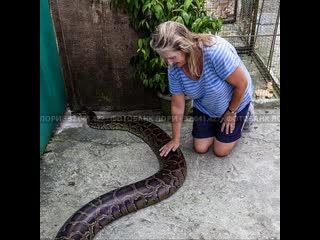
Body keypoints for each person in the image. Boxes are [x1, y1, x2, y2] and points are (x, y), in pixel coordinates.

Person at [150, 21, 254, 158]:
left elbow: (242, 83)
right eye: (165, 58)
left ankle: (246, 113)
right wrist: (175, 139)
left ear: (184, 47)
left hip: (234, 103)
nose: (169, 63)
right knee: (200, 148)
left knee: (220, 151)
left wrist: (231, 112)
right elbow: (177, 104)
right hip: (206, 106)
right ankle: (217, 123)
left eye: (172, 57)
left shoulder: (216, 52)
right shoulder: (174, 68)